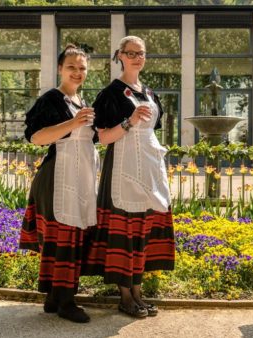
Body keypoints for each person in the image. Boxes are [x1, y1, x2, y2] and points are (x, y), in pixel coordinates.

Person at [82, 36, 175, 318]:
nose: (137, 57)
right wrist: (130, 121)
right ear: (120, 56)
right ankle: (125, 297)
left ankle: (137, 292)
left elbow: (154, 130)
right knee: (126, 231)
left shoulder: (148, 91)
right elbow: (102, 137)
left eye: (141, 53)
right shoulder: (111, 93)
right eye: (131, 53)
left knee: (143, 230)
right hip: (122, 166)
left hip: (148, 165)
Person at [19, 44, 97, 323]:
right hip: (57, 178)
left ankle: (53, 296)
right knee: (63, 236)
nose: (77, 72)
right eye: (71, 67)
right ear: (60, 69)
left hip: (79, 178)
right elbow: (36, 137)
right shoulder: (52, 99)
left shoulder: (81, 103)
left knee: (72, 235)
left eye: (82, 68)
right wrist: (73, 124)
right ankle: (66, 301)